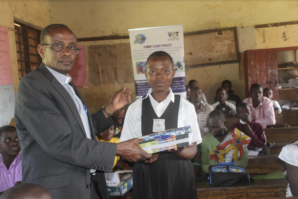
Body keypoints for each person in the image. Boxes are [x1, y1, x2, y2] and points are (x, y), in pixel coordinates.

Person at [14, 24, 150, 199]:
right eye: (58, 45)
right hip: (58, 190)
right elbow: (60, 143)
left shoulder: (67, 84)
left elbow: (79, 130)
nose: (67, 52)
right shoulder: (33, 85)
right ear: (41, 50)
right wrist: (118, 149)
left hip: (85, 182)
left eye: (72, 47)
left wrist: (109, 108)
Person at [120, 51, 202, 199]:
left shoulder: (186, 107)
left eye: (165, 71)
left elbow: (193, 150)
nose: (159, 76)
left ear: (173, 73)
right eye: (152, 71)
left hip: (179, 175)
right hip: (146, 176)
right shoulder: (134, 108)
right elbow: (126, 150)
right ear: (145, 73)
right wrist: (142, 156)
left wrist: (172, 147)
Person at [0, 126, 22, 194]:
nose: (14, 142)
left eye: (17, 139)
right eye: (8, 140)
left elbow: (18, 191)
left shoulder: (24, 161)